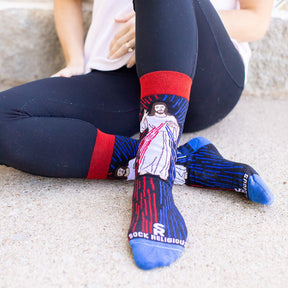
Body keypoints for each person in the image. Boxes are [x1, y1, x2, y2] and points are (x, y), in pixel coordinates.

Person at [0, 0, 274, 270]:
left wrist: (158, 24)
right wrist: (75, 60)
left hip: (205, 74)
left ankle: (154, 187)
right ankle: (177, 161)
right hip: (117, 73)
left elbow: (257, 21)